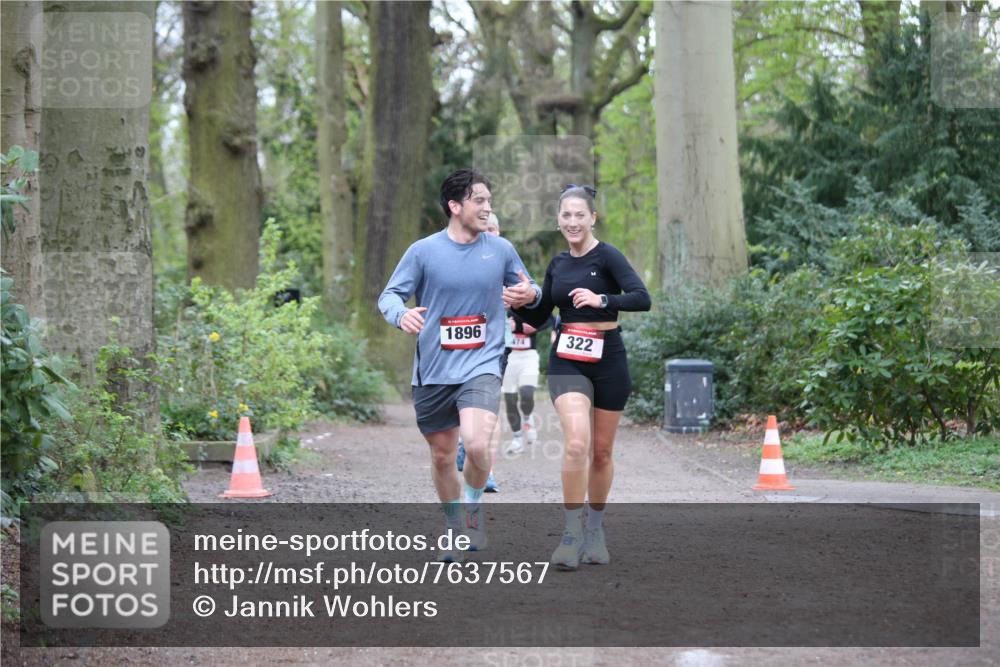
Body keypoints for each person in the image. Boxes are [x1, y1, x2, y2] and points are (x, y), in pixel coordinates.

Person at [378, 170, 541, 561]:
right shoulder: (423, 252)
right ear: (455, 206)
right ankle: (454, 526)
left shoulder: (500, 250)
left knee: (478, 443)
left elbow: (531, 288)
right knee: (442, 456)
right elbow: (389, 296)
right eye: (478, 201)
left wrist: (528, 294)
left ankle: (473, 509)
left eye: (489, 201)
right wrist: (401, 315)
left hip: (482, 362)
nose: (487, 208)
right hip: (434, 368)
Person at [514, 184, 651, 570]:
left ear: (593, 218)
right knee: (577, 443)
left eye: (580, 215)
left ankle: (595, 529)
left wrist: (602, 299)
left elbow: (642, 298)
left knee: (602, 452)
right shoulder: (558, 264)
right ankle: (571, 534)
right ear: (558, 220)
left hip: (609, 358)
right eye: (566, 215)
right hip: (567, 360)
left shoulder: (608, 256)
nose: (572, 222)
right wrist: (522, 305)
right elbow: (541, 316)